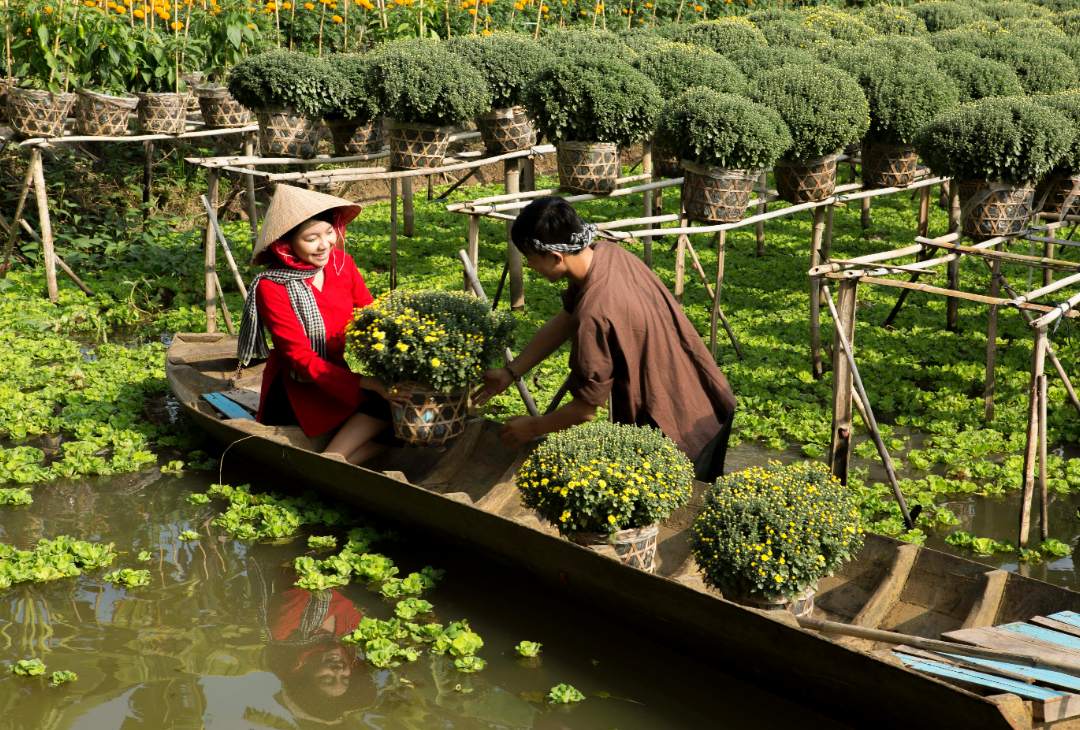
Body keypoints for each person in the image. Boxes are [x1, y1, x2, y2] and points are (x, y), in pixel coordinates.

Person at [474, 197, 737, 481]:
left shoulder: (595, 313)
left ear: (555, 257)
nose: (529, 265)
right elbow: (566, 319)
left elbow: (585, 410)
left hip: (681, 432)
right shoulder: (606, 255)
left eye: (531, 258)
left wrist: (533, 427)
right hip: (710, 402)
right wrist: (511, 372)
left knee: (675, 517)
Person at [238, 184, 388, 465]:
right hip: (297, 388)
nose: (325, 245)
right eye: (311, 238)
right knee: (383, 409)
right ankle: (332, 461)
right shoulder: (272, 286)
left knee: (401, 414)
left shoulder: (342, 264)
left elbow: (371, 314)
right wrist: (367, 383)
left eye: (329, 233)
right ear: (286, 244)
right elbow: (299, 358)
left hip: (336, 376)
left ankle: (334, 457)